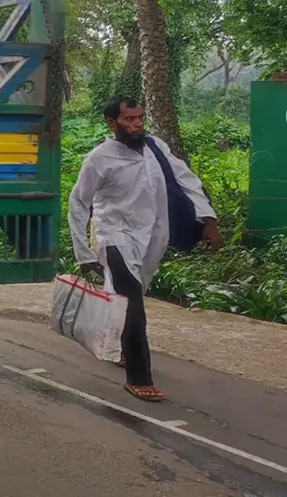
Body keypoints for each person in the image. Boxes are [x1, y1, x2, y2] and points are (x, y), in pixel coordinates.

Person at [68, 96, 220, 402]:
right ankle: (139, 376)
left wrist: (209, 219)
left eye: (139, 118)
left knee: (131, 298)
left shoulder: (156, 148)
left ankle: (121, 343)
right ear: (112, 124)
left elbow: (186, 179)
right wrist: (82, 252)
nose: (137, 124)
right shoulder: (99, 159)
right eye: (129, 120)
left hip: (153, 237)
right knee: (132, 302)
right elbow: (78, 202)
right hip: (114, 236)